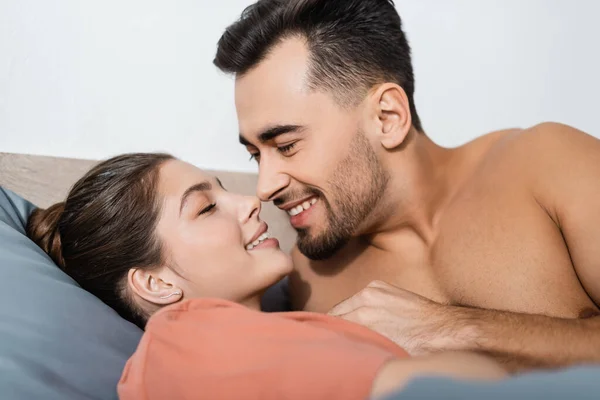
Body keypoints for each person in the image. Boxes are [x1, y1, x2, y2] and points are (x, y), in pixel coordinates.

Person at [214, 0, 600, 372]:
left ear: (387, 117)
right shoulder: (312, 278)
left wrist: (451, 329)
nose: (264, 187)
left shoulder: (547, 162)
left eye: (286, 146)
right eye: (255, 155)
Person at [27, 153, 504, 399]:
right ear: (155, 283)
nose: (251, 199)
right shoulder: (186, 339)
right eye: (207, 207)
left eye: (223, 190)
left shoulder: (243, 336)